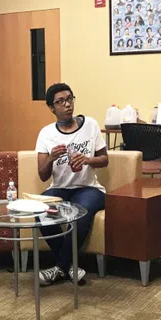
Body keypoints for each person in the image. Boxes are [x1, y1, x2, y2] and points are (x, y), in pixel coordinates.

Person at [35, 83, 108, 286]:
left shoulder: (90, 125)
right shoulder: (46, 133)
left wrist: (87, 160)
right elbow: (42, 175)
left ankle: (59, 268)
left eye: (70, 99)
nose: (67, 105)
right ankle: (68, 267)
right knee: (41, 212)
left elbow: (104, 160)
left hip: (89, 188)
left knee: (81, 211)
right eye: (60, 102)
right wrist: (51, 158)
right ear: (51, 108)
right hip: (59, 188)